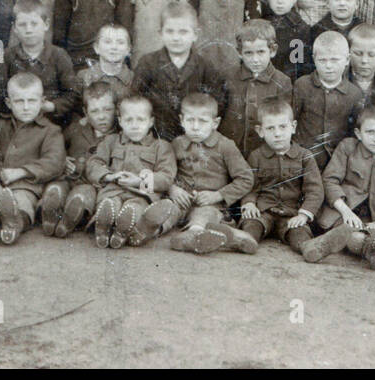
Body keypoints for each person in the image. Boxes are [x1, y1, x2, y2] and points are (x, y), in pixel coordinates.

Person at [300, 103, 375, 266]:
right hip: (340, 213)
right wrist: (345, 211)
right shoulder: (348, 148)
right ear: (359, 134)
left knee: (366, 235)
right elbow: (329, 180)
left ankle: (365, 248)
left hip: (371, 220)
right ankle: (367, 250)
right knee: (353, 234)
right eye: (370, 132)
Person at [0, 72, 66, 245]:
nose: (26, 107)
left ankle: (14, 225)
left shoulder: (50, 130)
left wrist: (22, 172)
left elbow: (54, 162)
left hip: (27, 186)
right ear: (9, 103)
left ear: (42, 102)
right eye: (19, 101)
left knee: (22, 203)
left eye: (31, 101)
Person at [159, 93, 256, 255]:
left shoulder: (225, 146)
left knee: (203, 216)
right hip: (181, 201)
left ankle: (199, 234)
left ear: (215, 123)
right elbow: (165, 171)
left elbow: (246, 178)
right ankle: (149, 230)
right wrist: (172, 189)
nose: (195, 127)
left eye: (203, 121)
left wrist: (218, 195)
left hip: (210, 205)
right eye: (190, 120)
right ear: (182, 120)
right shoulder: (177, 144)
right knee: (165, 211)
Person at [129, 1, 228, 143]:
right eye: (170, 31)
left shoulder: (205, 66)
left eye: (183, 32)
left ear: (195, 34)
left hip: (194, 138)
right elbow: (135, 99)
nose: (176, 38)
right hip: (156, 138)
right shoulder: (148, 63)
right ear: (160, 33)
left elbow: (218, 101)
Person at [84, 94, 176, 248]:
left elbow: (166, 176)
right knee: (110, 204)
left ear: (151, 121)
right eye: (129, 120)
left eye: (140, 120)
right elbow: (94, 163)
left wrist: (140, 181)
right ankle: (103, 227)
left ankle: (120, 232)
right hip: (113, 191)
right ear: (120, 121)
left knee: (134, 208)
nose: (134, 125)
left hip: (141, 195)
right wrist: (109, 176)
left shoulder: (161, 146)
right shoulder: (111, 141)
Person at [238, 99, 323, 257]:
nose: (277, 134)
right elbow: (250, 186)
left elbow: (315, 190)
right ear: (260, 131)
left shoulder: (305, 156)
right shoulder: (256, 156)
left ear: (293, 127)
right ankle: (244, 241)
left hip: (291, 214)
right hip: (263, 212)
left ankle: (311, 249)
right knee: (251, 224)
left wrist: (303, 215)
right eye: (270, 128)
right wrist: (249, 204)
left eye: (282, 127)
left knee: (299, 232)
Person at [42, 81, 120, 238]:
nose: (102, 117)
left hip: (90, 184)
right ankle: (50, 212)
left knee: (83, 195)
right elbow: (54, 145)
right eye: (95, 111)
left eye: (107, 110)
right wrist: (62, 159)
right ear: (85, 112)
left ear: (116, 110)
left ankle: (68, 221)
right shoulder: (76, 128)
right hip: (68, 178)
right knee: (56, 188)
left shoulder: (120, 136)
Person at [220, 20, 293, 157]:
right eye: (248, 53)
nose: (255, 59)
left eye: (260, 52)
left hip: (265, 154)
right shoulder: (229, 77)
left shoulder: (282, 82)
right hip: (231, 151)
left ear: (272, 51)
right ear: (240, 53)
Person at [2, 0, 80, 126]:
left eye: (34, 24)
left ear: (46, 25)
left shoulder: (59, 55)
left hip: (52, 122)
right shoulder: (7, 56)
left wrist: (52, 106)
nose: (28, 30)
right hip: (17, 123)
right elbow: (0, 93)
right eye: (22, 24)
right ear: (14, 28)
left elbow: (72, 93)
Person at [292, 31, 363, 169]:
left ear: (347, 60)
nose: (328, 66)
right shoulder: (302, 85)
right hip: (303, 159)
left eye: (334, 60)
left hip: (337, 162)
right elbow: (291, 120)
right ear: (314, 59)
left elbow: (353, 132)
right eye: (322, 60)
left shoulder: (354, 94)